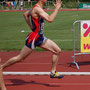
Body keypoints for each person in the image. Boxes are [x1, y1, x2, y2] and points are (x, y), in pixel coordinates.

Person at [1, 0, 64, 79]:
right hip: (34, 38)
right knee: (20, 58)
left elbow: (25, 14)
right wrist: (57, 8)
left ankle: (53, 72)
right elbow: (50, 19)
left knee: (57, 51)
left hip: (40, 37)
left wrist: (31, 27)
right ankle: (2, 67)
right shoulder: (37, 9)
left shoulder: (37, 8)